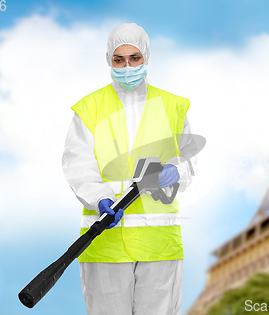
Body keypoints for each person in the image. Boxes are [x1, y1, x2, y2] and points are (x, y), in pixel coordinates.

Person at [62, 23, 197, 315]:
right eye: (119, 60)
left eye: (134, 58)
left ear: (146, 57)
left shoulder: (174, 107)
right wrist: (98, 197)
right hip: (104, 237)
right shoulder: (90, 107)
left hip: (158, 243)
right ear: (109, 60)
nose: (127, 66)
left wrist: (178, 171)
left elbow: (188, 157)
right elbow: (77, 162)